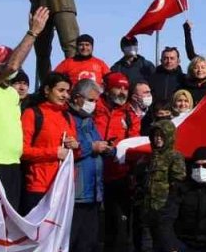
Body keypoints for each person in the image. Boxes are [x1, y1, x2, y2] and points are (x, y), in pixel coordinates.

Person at [0, 7, 49, 210]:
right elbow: (12, 67)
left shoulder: (12, 93)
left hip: (13, 163)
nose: (15, 67)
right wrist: (33, 33)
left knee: (7, 220)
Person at [20, 72, 79, 213]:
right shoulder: (32, 114)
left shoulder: (68, 117)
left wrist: (75, 147)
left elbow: (73, 155)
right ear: (47, 90)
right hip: (38, 186)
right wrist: (54, 153)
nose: (65, 95)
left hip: (63, 187)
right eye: (61, 90)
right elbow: (22, 150)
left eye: (67, 91)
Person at [97, 73, 141, 252]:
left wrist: (116, 151)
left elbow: (134, 143)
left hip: (118, 174)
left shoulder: (130, 113)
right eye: (118, 87)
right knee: (92, 225)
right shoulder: (94, 107)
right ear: (107, 89)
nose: (122, 91)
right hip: (93, 174)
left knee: (118, 225)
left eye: (125, 88)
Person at [68, 78, 110, 252]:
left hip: (93, 192)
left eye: (95, 100)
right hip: (76, 192)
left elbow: (96, 141)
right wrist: (91, 147)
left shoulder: (89, 120)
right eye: (90, 100)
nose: (94, 104)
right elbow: (69, 149)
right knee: (73, 240)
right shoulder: (68, 118)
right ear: (77, 97)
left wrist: (107, 148)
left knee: (89, 241)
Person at [135, 120, 187, 251]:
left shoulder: (175, 156)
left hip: (164, 210)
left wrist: (169, 207)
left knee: (165, 244)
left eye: (162, 136)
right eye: (155, 135)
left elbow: (177, 183)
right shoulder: (150, 157)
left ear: (168, 137)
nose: (158, 139)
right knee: (146, 245)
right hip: (147, 210)